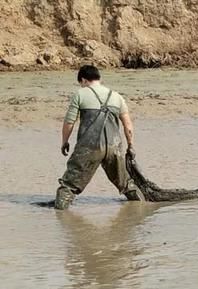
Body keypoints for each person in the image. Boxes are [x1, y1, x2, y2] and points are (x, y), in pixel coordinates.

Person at [54, 65, 143, 210]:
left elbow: (69, 122)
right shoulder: (117, 96)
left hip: (89, 147)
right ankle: (141, 209)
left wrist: (64, 142)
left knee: (69, 186)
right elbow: (128, 126)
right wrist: (130, 145)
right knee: (127, 185)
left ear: (83, 80)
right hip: (114, 148)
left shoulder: (80, 94)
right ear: (99, 79)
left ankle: (60, 215)